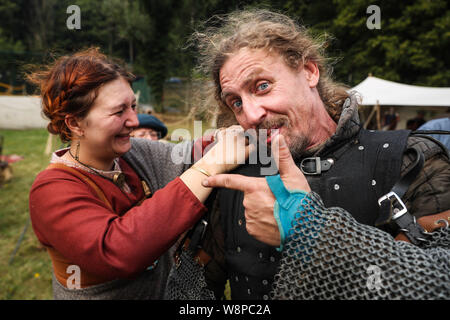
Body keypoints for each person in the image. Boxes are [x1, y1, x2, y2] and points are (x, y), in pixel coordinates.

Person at [165, 9, 450, 300]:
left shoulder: (412, 161)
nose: (251, 115)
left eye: (262, 86)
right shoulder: (236, 177)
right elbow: (191, 290)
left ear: (310, 72)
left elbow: (439, 284)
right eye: (236, 102)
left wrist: (311, 232)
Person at [27, 48, 251, 299]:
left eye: (133, 106)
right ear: (75, 123)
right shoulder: (51, 190)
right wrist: (210, 165)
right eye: (119, 111)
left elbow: (188, 153)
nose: (135, 120)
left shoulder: (132, 154)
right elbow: (119, 251)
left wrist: (226, 137)